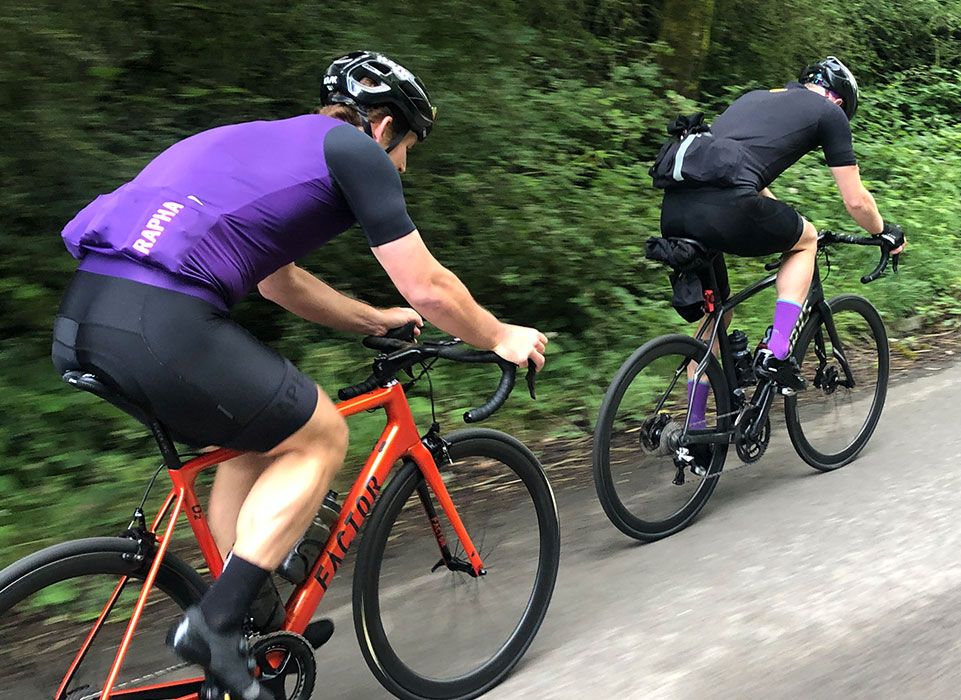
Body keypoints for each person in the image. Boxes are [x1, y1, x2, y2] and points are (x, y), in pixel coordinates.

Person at [52, 50, 546, 700]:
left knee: (257, 441)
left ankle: (250, 621)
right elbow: (427, 286)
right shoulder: (354, 151)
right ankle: (217, 625)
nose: (402, 166)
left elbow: (277, 281)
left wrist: (371, 318)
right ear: (384, 125)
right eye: (409, 148)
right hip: (161, 318)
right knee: (319, 434)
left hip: (87, 316)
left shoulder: (253, 142)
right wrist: (501, 334)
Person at [656, 56, 904, 439]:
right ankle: (778, 349)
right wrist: (885, 231)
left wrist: (782, 214)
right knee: (806, 242)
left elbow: (738, 171)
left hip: (676, 211)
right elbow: (856, 201)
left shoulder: (754, 98)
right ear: (840, 101)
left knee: (718, 318)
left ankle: (696, 433)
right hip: (728, 208)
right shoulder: (829, 113)